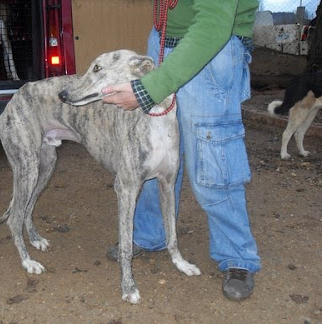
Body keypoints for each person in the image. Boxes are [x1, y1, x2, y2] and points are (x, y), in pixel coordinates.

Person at [102, 0, 261, 301]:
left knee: (213, 158)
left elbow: (214, 22)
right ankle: (152, 233)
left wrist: (149, 88)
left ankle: (237, 254)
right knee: (152, 151)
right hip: (163, 40)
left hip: (213, 45)